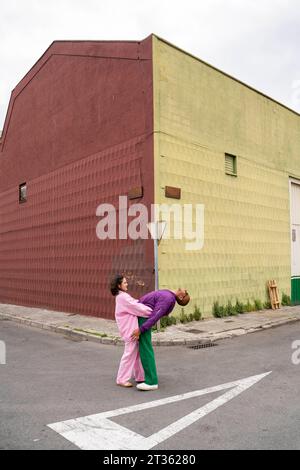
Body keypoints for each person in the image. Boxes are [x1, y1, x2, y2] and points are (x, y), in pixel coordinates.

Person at [131, 289, 190, 391]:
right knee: (143, 349)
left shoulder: (168, 299)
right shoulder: (169, 296)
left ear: (181, 297)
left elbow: (156, 315)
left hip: (145, 321)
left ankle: (151, 382)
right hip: (144, 319)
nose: (184, 289)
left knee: (146, 350)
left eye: (186, 292)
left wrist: (141, 329)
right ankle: (146, 377)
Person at [110, 274, 152, 388]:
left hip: (129, 329)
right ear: (119, 285)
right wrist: (152, 312)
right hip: (129, 330)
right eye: (124, 282)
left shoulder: (122, 296)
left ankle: (140, 376)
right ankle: (122, 379)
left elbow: (135, 303)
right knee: (129, 354)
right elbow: (137, 307)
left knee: (136, 353)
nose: (127, 284)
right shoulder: (123, 297)